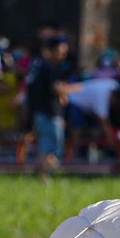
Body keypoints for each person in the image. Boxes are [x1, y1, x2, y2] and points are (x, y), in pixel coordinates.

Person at [24, 35, 77, 169]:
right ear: (52, 51)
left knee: (48, 148)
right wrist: (79, 88)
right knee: (49, 150)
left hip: (41, 113)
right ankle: (43, 177)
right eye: (60, 52)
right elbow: (56, 88)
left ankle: (44, 175)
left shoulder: (37, 66)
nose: (63, 56)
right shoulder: (47, 67)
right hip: (48, 114)